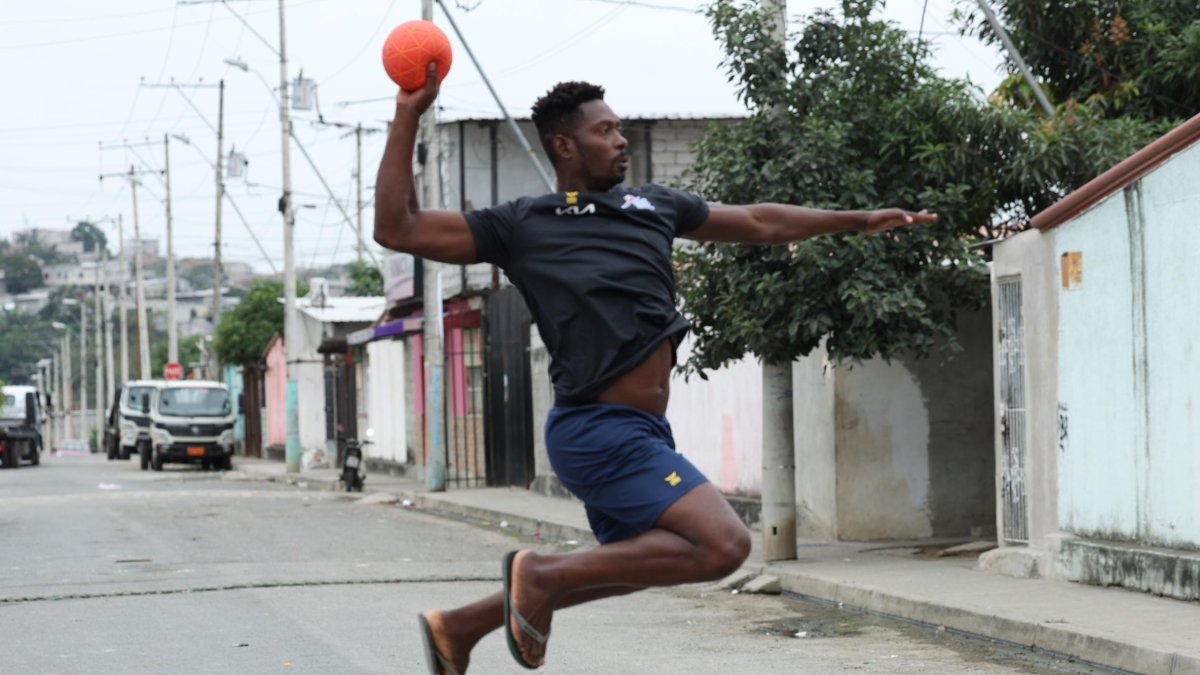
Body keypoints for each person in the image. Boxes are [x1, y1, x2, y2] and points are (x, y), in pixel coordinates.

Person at [374, 67, 936, 674]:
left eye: (620, 128)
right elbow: (396, 227)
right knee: (724, 545)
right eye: (605, 130)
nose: (621, 140)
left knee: (646, 560)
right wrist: (408, 114)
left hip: (641, 432)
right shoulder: (522, 225)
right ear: (566, 144)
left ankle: (458, 627)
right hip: (596, 429)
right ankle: (536, 573)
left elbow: (757, 222)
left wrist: (855, 219)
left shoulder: (653, 206)